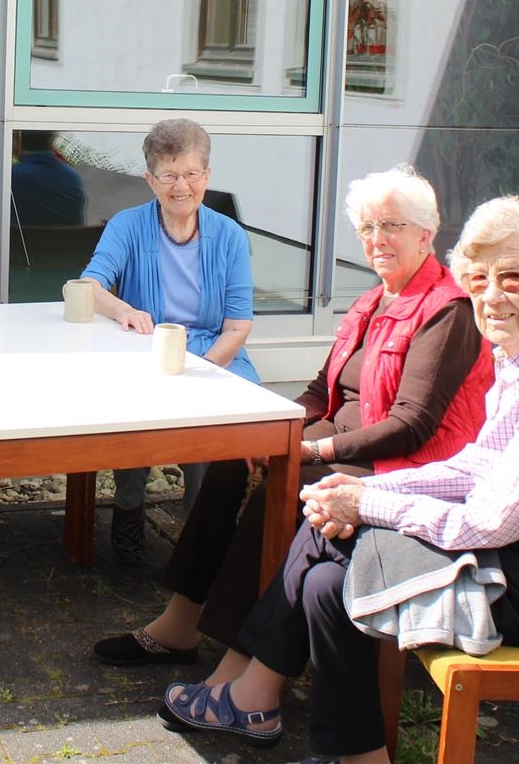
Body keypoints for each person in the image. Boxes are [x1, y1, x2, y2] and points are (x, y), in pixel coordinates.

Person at [157, 196, 519, 763]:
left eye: (512, 277)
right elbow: (473, 468)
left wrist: (369, 505)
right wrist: (360, 495)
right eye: (478, 279)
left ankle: (262, 699)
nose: (491, 295)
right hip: (512, 555)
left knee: (332, 556)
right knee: (324, 571)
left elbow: (490, 520)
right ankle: (337, 742)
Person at [91, 165, 493, 666]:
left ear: (425, 234)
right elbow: (320, 390)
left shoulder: (445, 310)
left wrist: (309, 448)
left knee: (286, 481)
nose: (376, 239)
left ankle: (242, 655)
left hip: (402, 465)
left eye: (391, 226)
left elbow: (411, 425)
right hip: (342, 438)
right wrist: (272, 432)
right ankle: (180, 623)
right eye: (367, 228)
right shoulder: (373, 300)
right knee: (232, 460)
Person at [81, 118, 257, 563]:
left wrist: (202, 368)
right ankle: (128, 510)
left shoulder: (230, 236)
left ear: (207, 176)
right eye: (169, 175)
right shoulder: (127, 225)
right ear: (150, 180)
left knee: (212, 434)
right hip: (147, 353)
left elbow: (238, 326)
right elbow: (89, 287)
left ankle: (201, 530)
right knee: (135, 422)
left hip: (217, 356)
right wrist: (123, 310)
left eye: (192, 174)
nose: (182, 186)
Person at [11, 130, 86, 226]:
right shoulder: (73, 179)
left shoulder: (9, 178)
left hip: (20, 241)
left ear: (18, 139)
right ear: (52, 141)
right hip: (65, 241)